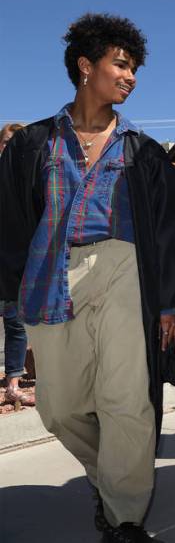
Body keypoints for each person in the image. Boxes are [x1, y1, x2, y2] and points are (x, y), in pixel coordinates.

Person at [0, 14, 175, 542]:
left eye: (135, 69)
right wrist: (12, 294)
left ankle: (124, 518)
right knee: (59, 408)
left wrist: (172, 301)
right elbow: (12, 224)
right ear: (86, 67)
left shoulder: (144, 153)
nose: (131, 77)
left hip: (125, 269)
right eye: (121, 64)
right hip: (48, 274)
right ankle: (110, 478)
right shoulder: (31, 144)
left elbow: (174, 231)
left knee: (126, 398)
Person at [1, 123, 34, 409]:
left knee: (16, 324)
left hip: (14, 264)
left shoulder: (27, 181)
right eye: (7, 142)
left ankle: (13, 384)